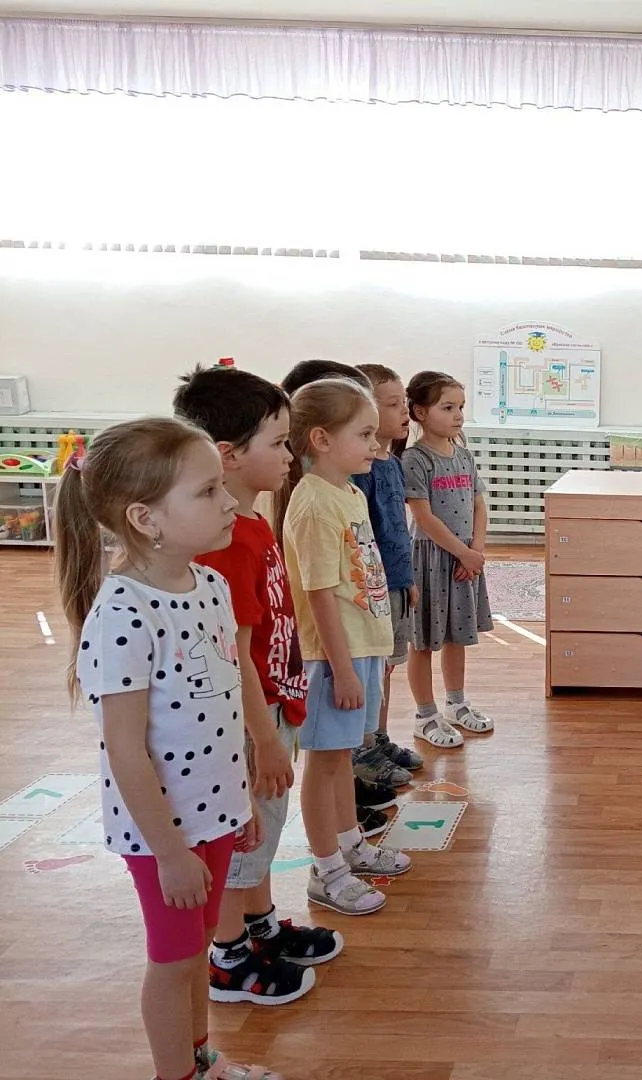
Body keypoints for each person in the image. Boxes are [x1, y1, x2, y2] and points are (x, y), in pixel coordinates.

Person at [56, 416, 284, 1080]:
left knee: (196, 953)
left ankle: (201, 1059)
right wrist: (169, 853)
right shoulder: (123, 612)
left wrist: (237, 803)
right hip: (164, 836)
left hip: (212, 817)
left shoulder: (210, 586)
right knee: (174, 960)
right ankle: (175, 1073)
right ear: (145, 518)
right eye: (208, 491)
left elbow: (223, 706)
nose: (230, 502)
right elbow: (126, 752)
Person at [174, 365, 343, 1007]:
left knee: (264, 830)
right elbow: (235, 655)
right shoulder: (226, 541)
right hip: (250, 717)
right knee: (241, 834)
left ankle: (260, 924)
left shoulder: (250, 523)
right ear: (229, 455)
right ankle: (229, 956)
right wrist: (263, 739)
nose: (289, 454)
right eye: (277, 442)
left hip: (271, 706)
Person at [279, 378, 411, 916]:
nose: (376, 445)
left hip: (360, 649)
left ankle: (350, 843)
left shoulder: (349, 492)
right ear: (321, 439)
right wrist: (344, 669)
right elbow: (319, 594)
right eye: (364, 434)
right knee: (326, 762)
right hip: (334, 656)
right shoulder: (313, 503)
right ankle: (326, 869)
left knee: (340, 758)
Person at [403, 370, 495, 747]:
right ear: (420, 412)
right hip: (430, 560)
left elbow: (479, 504)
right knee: (423, 641)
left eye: (460, 407)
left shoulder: (464, 456)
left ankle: (456, 704)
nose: (458, 415)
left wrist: (475, 551)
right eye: (447, 407)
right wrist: (463, 552)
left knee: (458, 635)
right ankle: (425, 715)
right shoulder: (415, 459)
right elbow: (424, 518)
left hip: (464, 561)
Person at [352, 363, 435, 763]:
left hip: (396, 585)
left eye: (404, 402)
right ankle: (365, 746)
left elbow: (398, 531)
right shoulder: (360, 472)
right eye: (392, 404)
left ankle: (379, 738)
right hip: (371, 590)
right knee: (374, 669)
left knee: (387, 667)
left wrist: (407, 580)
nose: (405, 410)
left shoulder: (393, 463)